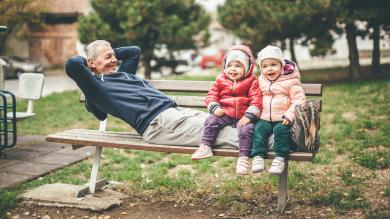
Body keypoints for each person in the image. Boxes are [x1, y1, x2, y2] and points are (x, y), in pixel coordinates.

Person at [65, 40, 239, 148]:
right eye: (108, 57)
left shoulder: (123, 74)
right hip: (158, 123)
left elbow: (134, 51)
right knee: (229, 134)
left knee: (233, 122)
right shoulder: (96, 87)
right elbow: (73, 64)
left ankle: (262, 135)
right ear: (91, 63)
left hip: (177, 113)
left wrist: (106, 52)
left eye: (114, 56)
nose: (114, 60)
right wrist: (91, 62)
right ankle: (264, 144)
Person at [191, 45, 262, 175]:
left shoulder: (252, 81)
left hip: (243, 115)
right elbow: (211, 96)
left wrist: (249, 115)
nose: (232, 69)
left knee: (247, 129)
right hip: (225, 112)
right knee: (211, 120)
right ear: (224, 66)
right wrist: (215, 107)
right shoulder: (220, 80)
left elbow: (256, 100)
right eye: (229, 65)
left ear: (246, 68)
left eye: (238, 66)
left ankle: (243, 158)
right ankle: (206, 146)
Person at [251, 45, 306, 175]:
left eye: (273, 64)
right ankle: (258, 157)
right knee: (259, 130)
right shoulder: (261, 81)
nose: (269, 69)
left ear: (282, 66)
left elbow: (299, 100)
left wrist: (289, 115)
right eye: (264, 66)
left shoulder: (291, 81)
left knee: (280, 131)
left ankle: (280, 158)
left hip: (283, 118)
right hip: (264, 117)